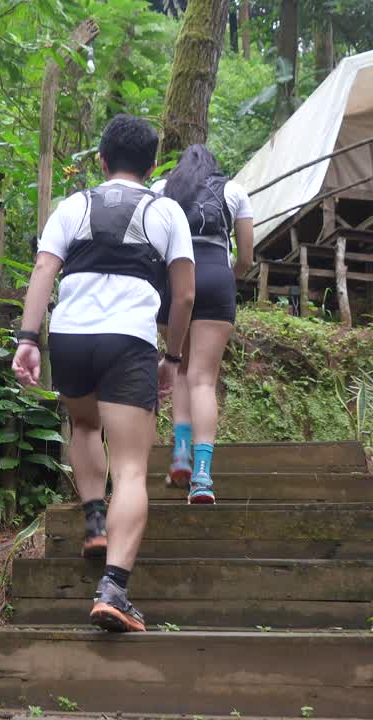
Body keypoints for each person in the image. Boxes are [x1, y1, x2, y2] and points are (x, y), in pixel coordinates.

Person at [12, 114, 195, 633]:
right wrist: (173, 357)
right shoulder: (166, 212)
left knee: (86, 426)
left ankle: (95, 520)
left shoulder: (73, 205)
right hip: (127, 340)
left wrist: (28, 340)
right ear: (154, 163)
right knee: (133, 468)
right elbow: (184, 294)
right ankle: (114, 588)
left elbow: (45, 269)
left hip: (69, 336)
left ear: (101, 160)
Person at [150, 144, 255, 504]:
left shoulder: (161, 190)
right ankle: (202, 477)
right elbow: (246, 256)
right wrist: (229, 277)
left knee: (178, 369)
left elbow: (149, 245)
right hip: (215, 275)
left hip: (173, 279)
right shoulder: (233, 191)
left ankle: (180, 453)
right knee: (204, 380)